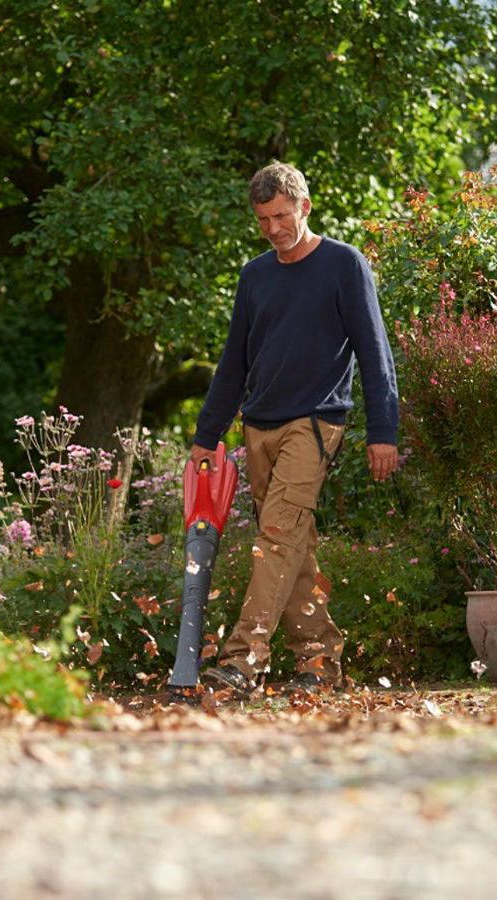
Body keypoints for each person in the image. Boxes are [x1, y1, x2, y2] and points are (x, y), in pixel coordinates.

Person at [191, 161, 399, 697]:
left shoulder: (344, 265)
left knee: (276, 538)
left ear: (304, 206)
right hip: (257, 426)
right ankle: (318, 663)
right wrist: (206, 436)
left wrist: (384, 431)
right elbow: (233, 362)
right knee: (292, 548)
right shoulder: (255, 274)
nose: (273, 229)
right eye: (263, 219)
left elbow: (376, 354)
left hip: (314, 424)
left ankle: (242, 662)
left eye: (281, 215)